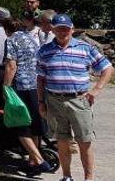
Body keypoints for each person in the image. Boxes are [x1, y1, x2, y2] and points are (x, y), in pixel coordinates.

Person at [37, 14, 113, 181]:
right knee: (62, 140)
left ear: (72, 29)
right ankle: (67, 176)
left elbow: (107, 69)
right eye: (59, 29)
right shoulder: (44, 50)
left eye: (66, 28)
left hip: (79, 101)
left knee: (84, 141)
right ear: (53, 29)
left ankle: (88, 178)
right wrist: (41, 101)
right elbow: (41, 78)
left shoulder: (85, 48)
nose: (63, 32)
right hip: (54, 100)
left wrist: (96, 89)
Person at [3, 10, 54, 176]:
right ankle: (33, 163)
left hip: (22, 85)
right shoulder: (31, 38)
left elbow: (11, 65)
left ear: (7, 29)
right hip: (37, 84)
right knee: (34, 125)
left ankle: (38, 159)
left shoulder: (11, 40)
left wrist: (6, 87)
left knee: (20, 124)